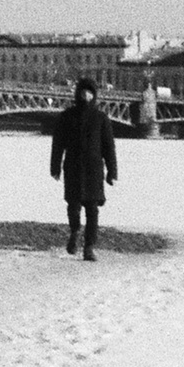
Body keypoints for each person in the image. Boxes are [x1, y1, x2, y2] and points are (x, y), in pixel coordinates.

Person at [50, 76, 121, 260]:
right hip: (73, 166)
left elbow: (108, 147)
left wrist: (112, 172)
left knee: (92, 209)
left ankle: (89, 247)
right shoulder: (67, 116)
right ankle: (74, 232)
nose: (85, 96)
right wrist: (55, 166)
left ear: (94, 95)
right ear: (78, 94)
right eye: (83, 92)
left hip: (94, 169)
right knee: (73, 206)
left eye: (89, 93)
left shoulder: (101, 118)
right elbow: (58, 144)